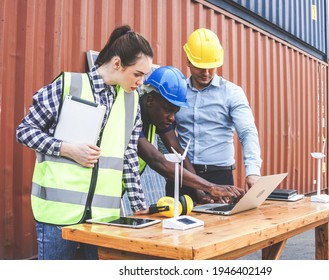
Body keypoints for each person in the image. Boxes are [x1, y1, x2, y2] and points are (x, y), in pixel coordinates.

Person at [15, 25, 153, 260]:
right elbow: (25, 131)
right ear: (118, 64)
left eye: (144, 76)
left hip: (104, 217)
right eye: (137, 74)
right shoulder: (69, 85)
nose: (140, 82)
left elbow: (129, 155)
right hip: (58, 214)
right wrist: (67, 149)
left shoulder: (132, 101)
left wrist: (138, 204)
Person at [167, 28, 262, 203]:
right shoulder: (177, 91)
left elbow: (247, 132)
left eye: (211, 67)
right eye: (200, 67)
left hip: (219, 177)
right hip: (183, 176)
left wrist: (253, 171)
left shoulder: (232, 93)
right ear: (188, 61)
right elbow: (164, 131)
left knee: (219, 229)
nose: (206, 73)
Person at [136, 66, 244, 203]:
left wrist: (200, 194)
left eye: (175, 112)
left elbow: (177, 150)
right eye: (168, 110)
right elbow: (158, 161)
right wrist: (211, 187)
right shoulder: (131, 115)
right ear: (150, 100)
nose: (172, 118)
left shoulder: (157, 116)